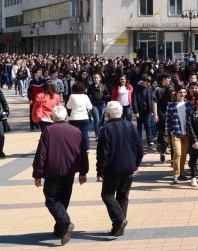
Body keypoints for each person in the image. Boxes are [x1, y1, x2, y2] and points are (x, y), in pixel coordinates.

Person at [32, 105, 89, 245]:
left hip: (52, 172)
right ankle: (60, 228)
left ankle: (65, 222)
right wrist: (83, 172)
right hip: (70, 171)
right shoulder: (76, 131)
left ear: (52, 117)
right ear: (66, 117)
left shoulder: (48, 131)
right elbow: (83, 153)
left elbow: (41, 154)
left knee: (51, 200)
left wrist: (37, 174)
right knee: (63, 199)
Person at [96, 101, 143, 237]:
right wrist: (136, 164)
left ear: (108, 114)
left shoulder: (106, 129)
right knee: (123, 196)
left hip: (113, 168)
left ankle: (119, 219)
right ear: (121, 113)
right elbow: (139, 148)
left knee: (107, 194)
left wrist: (100, 171)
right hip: (129, 167)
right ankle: (118, 226)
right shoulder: (130, 126)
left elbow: (103, 154)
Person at [165, 87, 194, 184]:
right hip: (175, 132)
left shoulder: (189, 104)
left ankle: (182, 173)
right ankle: (175, 175)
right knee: (177, 153)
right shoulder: (171, 105)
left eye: (184, 92)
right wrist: (166, 133)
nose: (182, 94)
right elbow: (167, 120)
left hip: (186, 133)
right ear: (176, 93)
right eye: (180, 92)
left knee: (184, 155)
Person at [65, 83, 93, 152]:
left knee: (74, 134)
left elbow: (68, 106)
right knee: (85, 133)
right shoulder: (85, 96)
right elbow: (90, 107)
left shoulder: (72, 96)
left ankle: (74, 148)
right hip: (84, 117)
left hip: (74, 118)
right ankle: (86, 148)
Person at [87, 73, 110, 138]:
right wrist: (90, 100)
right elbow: (87, 95)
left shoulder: (103, 86)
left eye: (97, 77)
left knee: (100, 119)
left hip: (102, 104)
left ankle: (100, 131)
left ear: (100, 78)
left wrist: (103, 96)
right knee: (96, 119)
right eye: (94, 77)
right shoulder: (90, 86)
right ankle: (97, 135)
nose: (95, 79)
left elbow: (108, 94)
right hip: (94, 105)